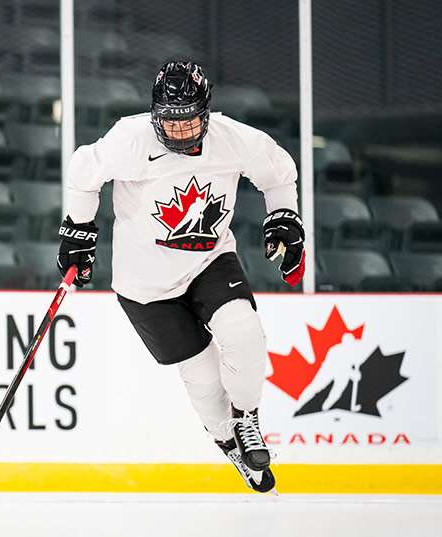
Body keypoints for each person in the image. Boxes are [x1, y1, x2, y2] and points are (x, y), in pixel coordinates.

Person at [57, 61, 306, 493]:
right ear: (155, 115)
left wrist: (284, 216)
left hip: (208, 262)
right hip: (144, 287)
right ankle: (227, 439)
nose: (181, 131)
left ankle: (247, 419)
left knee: (244, 332)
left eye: (190, 120)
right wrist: (79, 230)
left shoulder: (233, 139)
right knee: (205, 380)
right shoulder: (130, 140)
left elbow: (279, 172)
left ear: (206, 113)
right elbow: (83, 173)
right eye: (170, 123)